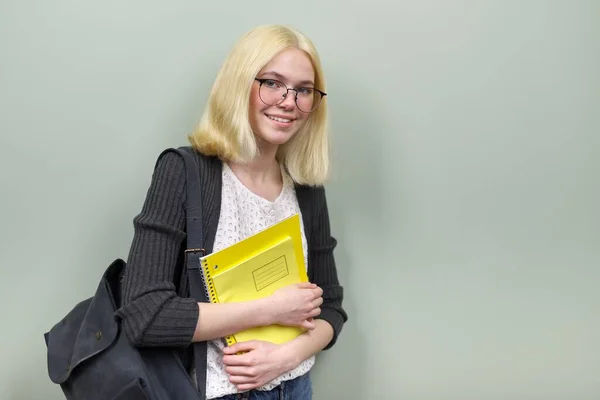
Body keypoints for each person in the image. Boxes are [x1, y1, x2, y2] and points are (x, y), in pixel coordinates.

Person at [116, 24, 347, 400]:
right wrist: (272, 309)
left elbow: (331, 309)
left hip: (296, 386)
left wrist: (287, 355)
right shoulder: (185, 171)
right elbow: (146, 315)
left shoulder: (305, 187)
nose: (289, 101)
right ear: (241, 83)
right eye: (272, 83)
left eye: (304, 90)